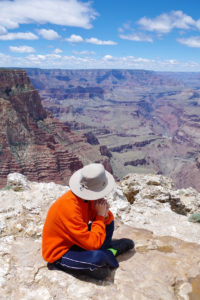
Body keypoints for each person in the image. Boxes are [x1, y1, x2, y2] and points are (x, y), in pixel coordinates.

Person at [42, 163, 134, 280]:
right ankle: (109, 253)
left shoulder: (86, 198)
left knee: (109, 223)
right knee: (99, 260)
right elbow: (92, 244)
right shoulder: (69, 207)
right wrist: (100, 216)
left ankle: (107, 253)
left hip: (76, 240)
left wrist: (104, 212)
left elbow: (106, 220)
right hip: (61, 253)